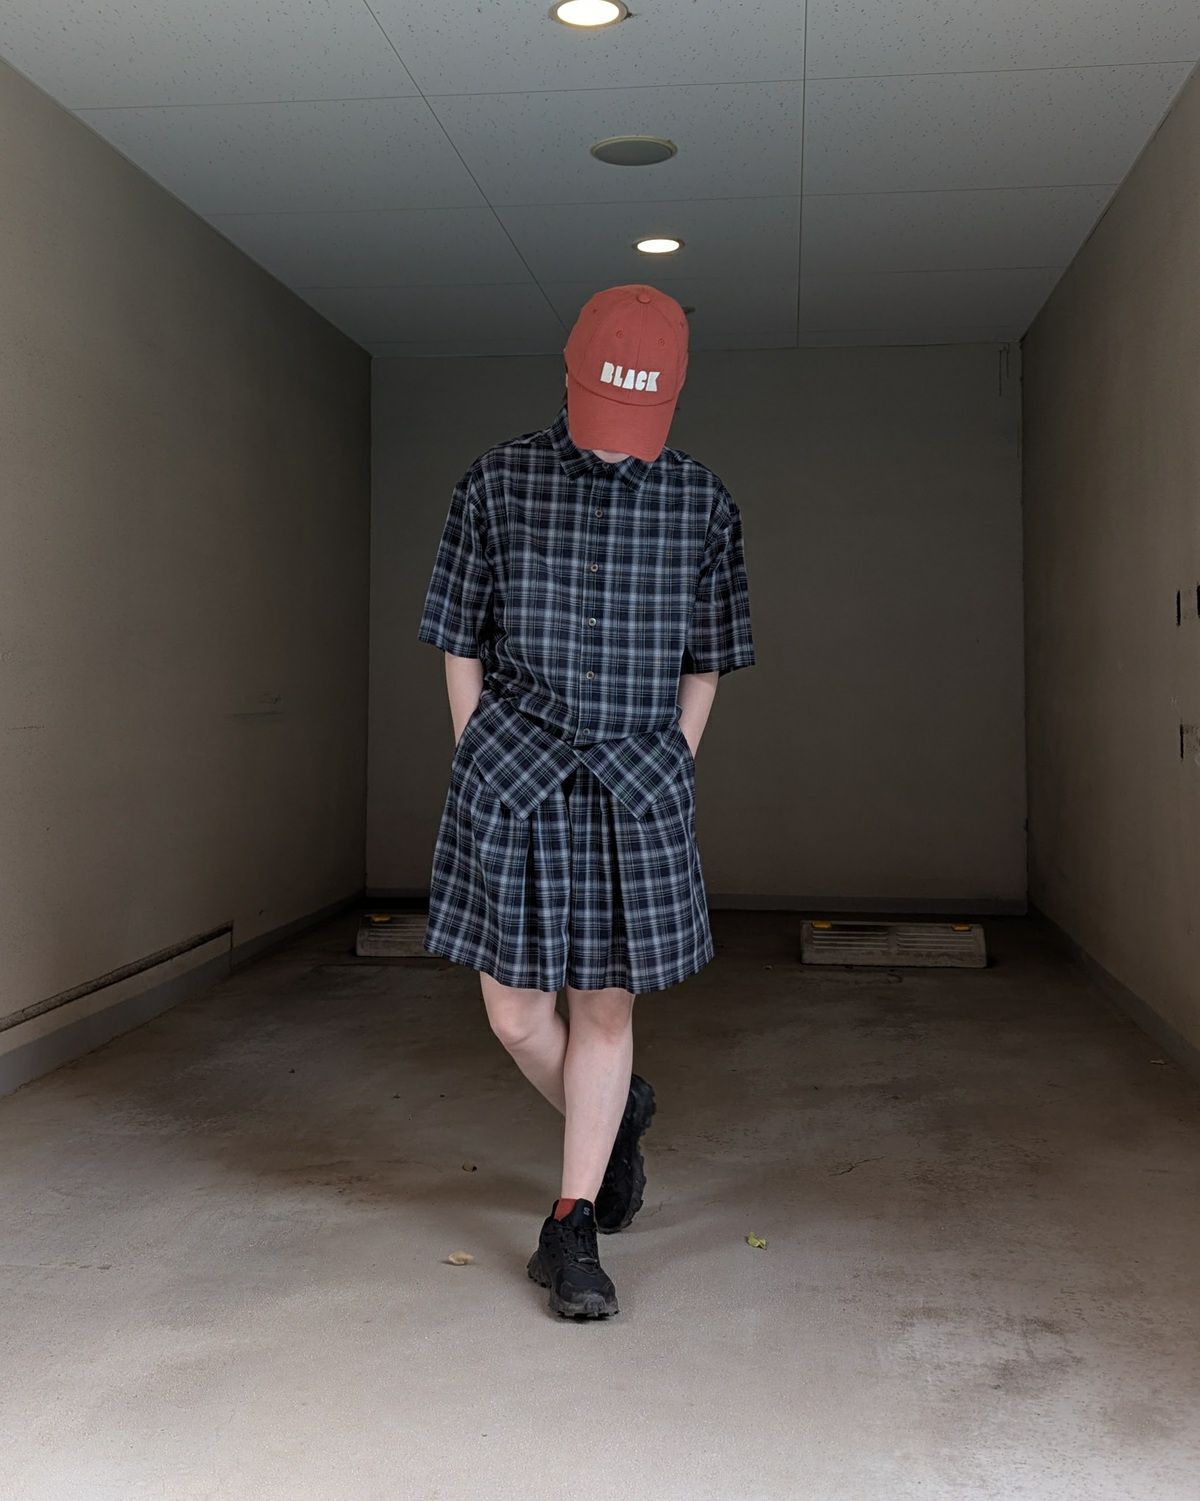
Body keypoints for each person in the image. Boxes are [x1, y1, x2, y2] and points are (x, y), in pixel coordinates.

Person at [416, 283, 756, 1320]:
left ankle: (572, 1226)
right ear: (569, 379)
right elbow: (458, 635)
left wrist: (676, 758)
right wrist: (475, 749)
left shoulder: (701, 502)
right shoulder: (496, 482)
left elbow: (708, 656)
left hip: (633, 781)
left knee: (605, 1006)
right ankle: (618, 1116)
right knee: (517, 1014)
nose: (615, 443)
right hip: (513, 773)